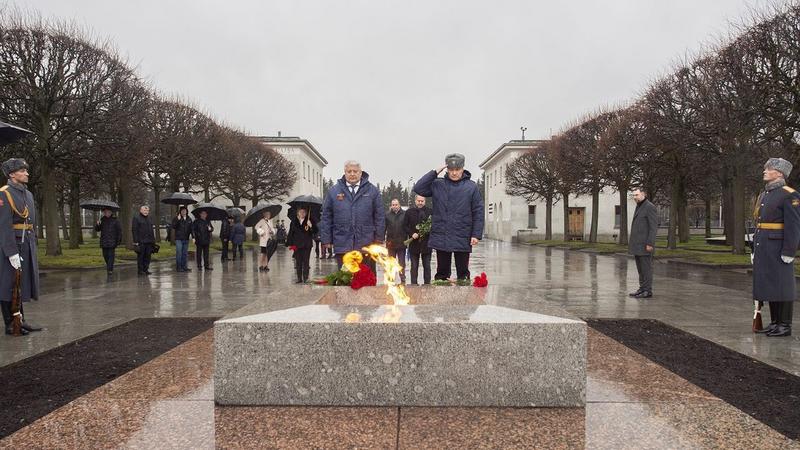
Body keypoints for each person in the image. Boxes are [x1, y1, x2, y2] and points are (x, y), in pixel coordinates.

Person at [414, 154, 483, 281]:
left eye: (457, 170)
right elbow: (418, 188)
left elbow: (478, 211)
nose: (454, 173)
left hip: (462, 235)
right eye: (451, 170)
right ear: (447, 169)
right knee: (442, 274)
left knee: (463, 273)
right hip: (442, 236)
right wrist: (435, 172)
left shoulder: (471, 187)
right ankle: (441, 298)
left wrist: (476, 234)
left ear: (462, 168)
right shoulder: (438, 185)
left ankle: (464, 298)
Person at [753, 158, 799, 337]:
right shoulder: (765, 194)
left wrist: (789, 251)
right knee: (771, 285)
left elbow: (794, 226)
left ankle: (784, 324)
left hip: (779, 247)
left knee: (783, 285)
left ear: (779, 173)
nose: (764, 171)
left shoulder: (789, 194)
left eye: (768, 169)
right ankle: (775, 322)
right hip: (765, 246)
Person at [0, 158, 41, 336]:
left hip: (27, 242)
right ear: (12, 174)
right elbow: (4, 225)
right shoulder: (4, 193)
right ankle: (10, 323)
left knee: (20, 283)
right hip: (12, 244)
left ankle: (20, 320)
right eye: (22, 171)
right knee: (8, 284)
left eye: (26, 170)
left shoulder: (28, 194)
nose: (26, 173)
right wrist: (11, 252)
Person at [320, 160, 384, 272]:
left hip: (366, 244)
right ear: (345, 172)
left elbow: (379, 216)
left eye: (355, 171)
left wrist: (379, 238)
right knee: (345, 280)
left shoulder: (372, 191)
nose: (352, 174)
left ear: (360, 173)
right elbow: (326, 217)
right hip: (342, 243)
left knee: (366, 279)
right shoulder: (334, 191)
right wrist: (326, 239)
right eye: (349, 171)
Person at [628, 188, 658, 298]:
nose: (635, 197)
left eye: (637, 195)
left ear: (643, 194)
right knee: (640, 269)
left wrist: (650, 243)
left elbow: (653, 227)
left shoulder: (650, 207)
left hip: (645, 245)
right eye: (633, 195)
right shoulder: (639, 206)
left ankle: (647, 290)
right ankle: (642, 288)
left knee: (646, 269)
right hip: (638, 245)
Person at [404, 194, 433, 285]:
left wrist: (427, 231)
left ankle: (427, 284)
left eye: (422, 201)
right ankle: (413, 284)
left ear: (425, 201)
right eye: (419, 201)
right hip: (414, 244)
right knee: (414, 266)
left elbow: (434, 226)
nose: (420, 203)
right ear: (415, 201)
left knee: (427, 266)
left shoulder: (430, 212)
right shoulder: (409, 212)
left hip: (427, 244)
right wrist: (412, 234)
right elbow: (405, 226)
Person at [286, 207, 318, 283]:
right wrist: (290, 244)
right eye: (300, 212)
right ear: (298, 213)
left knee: (306, 262)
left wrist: (311, 226)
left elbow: (315, 231)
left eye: (304, 212)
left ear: (306, 213)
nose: (302, 213)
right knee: (298, 262)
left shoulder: (310, 221)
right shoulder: (294, 221)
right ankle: (299, 278)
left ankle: (306, 278)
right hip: (296, 245)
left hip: (307, 245)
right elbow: (291, 233)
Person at [94, 208, 122, 275]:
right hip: (104, 241)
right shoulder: (102, 220)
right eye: (105, 212)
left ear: (110, 212)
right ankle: (109, 266)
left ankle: (110, 269)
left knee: (111, 256)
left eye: (107, 212)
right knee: (105, 255)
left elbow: (119, 231)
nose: (106, 213)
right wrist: (98, 224)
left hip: (112, 241)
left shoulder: (115, 220)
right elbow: (97, 229)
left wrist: (118, 241)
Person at [385, 198, 407, 283]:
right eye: (393, 205)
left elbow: (407, 227)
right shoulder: (387, 215)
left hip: (401, 243)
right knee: (391, 263)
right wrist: (382, 240)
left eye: (396, 204)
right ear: (391, 206)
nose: (394, 206)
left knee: (401, 263)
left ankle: (402, 278)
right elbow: (384, 228)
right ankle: (391, 279)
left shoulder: (405, 214)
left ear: (399, 205)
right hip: (391, 244)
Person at [132, 205, 156, 276]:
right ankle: (140, 270)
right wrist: (136, 241)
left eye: (147, 210)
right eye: (144, 210)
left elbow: (151, 230)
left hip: (149, 241)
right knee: (141, 257)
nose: (146, 212)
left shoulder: (149, 218)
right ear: (141, 210)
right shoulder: (136, 218)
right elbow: (134, 230)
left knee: (148, 256)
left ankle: (146, 269)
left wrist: (153, 241)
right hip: (141, 241)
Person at [172, 206, 192, 272]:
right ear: (180, 212)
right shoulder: (176, 218)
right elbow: (174, 226)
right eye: (182, 211)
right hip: (179, 239)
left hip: (186, 239)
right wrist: (178, 219)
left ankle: (184, 267)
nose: (184, 212)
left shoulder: (189, 219)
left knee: (185, 254)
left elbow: (191, 229)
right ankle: (179, 267)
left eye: (185, 210)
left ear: (187, 211)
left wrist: (193, 237)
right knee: (179, 253)